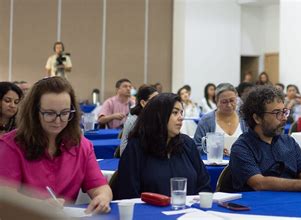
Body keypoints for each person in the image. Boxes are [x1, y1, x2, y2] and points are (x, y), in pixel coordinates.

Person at [0, 77, 112, 213]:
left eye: (65, 113)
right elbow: (7, 198)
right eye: (49, 113)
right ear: (34, 113)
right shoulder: (11, 145)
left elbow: (99, 186)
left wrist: (102, 198)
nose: (58, 120)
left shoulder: (82, 145)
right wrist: (37, 206)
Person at [113, 93, 212, 199]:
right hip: (149, 213)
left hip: (189, 212)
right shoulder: (136, 148)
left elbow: (204, 185)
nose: (181, 118)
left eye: (181, 112)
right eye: (175, 113)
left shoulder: (187, 144)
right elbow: (128, 194)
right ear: (159, 116)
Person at [194, 83, 248, 154]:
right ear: (216, 100)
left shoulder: (244, 119)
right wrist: (213, 150)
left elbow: (251, 144)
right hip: (213, 164)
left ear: (236, 99)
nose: (229, 105)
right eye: (224, 102)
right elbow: (196, 146)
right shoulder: (206, 121)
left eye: (232, 100)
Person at [119, 85, 158, 156]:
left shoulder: (158, 117)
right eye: (154, 100)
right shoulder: (133, 121)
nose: (159, 104)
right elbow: (124, 150)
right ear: (143, 103)